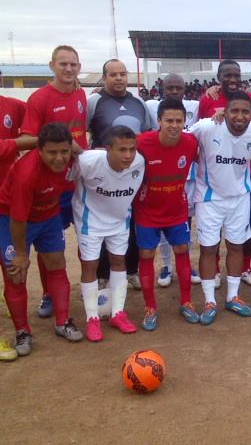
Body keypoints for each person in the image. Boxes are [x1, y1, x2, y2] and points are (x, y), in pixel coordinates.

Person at [0, 124, 84, 357]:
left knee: (57, 263)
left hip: (48, 215)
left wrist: (77, 151)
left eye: (64, 151)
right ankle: (22, 331)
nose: (59, 158)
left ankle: (63, 321)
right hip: (11, 219)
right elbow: (18, 219)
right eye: (52, 153)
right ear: (39, 150)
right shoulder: (26, 174)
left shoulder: (74, 158)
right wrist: (20, 254)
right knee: (15, 273)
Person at [20, 45, 88, 319]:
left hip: (80, 181)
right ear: (52, 66)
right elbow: (26, 139)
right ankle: (49, 293)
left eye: (73, 64)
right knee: (48, 243)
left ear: (79, 67)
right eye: (63, 64)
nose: (69, 69)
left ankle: (90, 285)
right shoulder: (39, 98)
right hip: (53, 185)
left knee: (88, 237)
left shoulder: (82, 93)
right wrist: (64, 145)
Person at [190, 91, 251, 323]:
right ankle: (209, 300)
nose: (239, 116)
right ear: (225, 111)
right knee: (208, 249)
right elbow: (179, 140)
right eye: (234, 110)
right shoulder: (206, 127)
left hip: (240, 199)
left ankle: (233, 297)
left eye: (245, 112)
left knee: (236, 246)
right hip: (209, 199)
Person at [71, 126, 145, 341]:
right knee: (90, 265)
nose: (128, 155)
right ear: (107, 149)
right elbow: (68, 178)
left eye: (132, 149)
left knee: (119, 261)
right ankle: (92, 318)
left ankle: (117, 313)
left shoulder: (139, 162)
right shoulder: (87, 162)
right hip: (90, 221)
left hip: (120, 220)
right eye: (122, 150)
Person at [87, 59, 153, 291]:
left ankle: (131, 270)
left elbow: (148, 132)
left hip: (133, 172)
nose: (118, 79)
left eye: (122, 74)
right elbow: (83, 131)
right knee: (105, 221)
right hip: (104, 173)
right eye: (113, 74)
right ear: (105, 77)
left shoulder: (138, 102)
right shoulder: (94, 101)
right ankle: (103, 273)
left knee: (132, 220)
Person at [134, 98, 198, 330]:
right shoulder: (141, 143)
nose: (173, 125)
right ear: (158, 121)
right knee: (147, 255)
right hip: (147, 211)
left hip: (176, 210)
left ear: (185, 121)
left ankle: (186, 302)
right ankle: (150, 307)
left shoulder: (191, 142)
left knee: (182, 250)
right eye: (168, 120)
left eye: (178, 120)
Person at [199, 60, 251, 287]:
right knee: (212, 231)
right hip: (214, 176)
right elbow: (200, 133)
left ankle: (245, 266)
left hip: (241, 174)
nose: (232, 79)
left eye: (236, 75)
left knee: (245, 226)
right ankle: (213, 270)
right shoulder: (208, 99)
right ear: (218, 77)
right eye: (227, 75)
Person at [146, 74, 201, 288]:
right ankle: (167, 266)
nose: (175, 91)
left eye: (179, 87)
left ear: (185, 89)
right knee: (161, 224)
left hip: (188, 176)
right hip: (161, 174)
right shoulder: (151, 106)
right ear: (162, 88)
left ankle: (186, 264)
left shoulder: (194, 106)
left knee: (185, 224)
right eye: (170, 87)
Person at [0, 94, 28, 360]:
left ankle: (22, 330)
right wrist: (15, 144)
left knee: (14, 271)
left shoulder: (14, 106)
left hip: (5, 207)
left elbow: (37, 123)